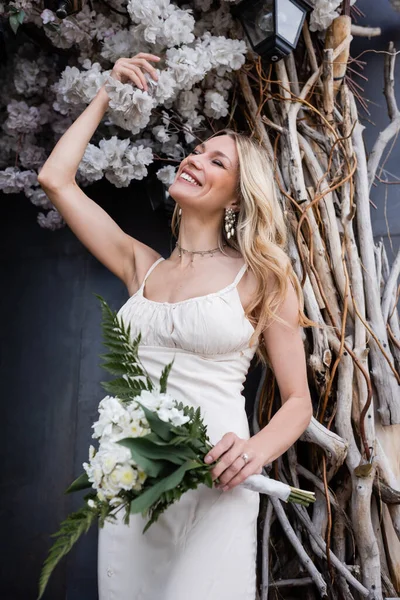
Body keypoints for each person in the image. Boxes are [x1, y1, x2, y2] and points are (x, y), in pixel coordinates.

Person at [37, 53, 314, 600]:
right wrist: (106, 91)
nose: (195, 160)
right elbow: (55, 178)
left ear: (238, 195)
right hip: (136, 480)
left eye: (217, 162)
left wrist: (255, 452)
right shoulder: (140, 265)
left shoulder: (264, 277)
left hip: (216, 480)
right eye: (196, 151)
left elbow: (298, 400)